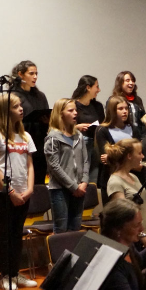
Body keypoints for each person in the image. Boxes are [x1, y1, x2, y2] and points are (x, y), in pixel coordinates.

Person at [0, 92, 38, 290]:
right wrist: (10, 192)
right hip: (3, 193)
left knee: (17, 233)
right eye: (16, 106)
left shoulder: (25, 136)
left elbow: (30, 165)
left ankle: (15, 272)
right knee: (6, 233)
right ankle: (5, 275)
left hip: (23, 193)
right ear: (5, 111)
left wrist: (30, 188)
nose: (21, 109)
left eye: (20, 105)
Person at [44, 98, 90, 234]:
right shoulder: (53, 137)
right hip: (60, 189)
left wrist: (84, 182)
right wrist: (73, 186)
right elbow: (54, 166)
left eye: (75, 110)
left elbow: (85, 160)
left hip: (79, 188)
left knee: (76, 227)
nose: (75, 113)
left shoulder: (78, 136)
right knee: (61, 229)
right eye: (70, 110)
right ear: (61, 114)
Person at [10, 60, 50, 184]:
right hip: (22, 140)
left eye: (36, 73)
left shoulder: (40, 96)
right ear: (20, 74)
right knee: (23, 180)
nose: (35, 77)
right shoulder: (13, 95)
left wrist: (47, 120)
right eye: (31, 73)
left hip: (39, 142)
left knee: (39, 180)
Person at [94, 96, 136, 200]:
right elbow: (107, 157)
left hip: (132, 175)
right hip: (110, 177)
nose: (125, 111)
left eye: (126, 108)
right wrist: (128, 154)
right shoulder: (102, 130)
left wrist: (115, 154)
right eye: (120, 109)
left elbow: (137, 152)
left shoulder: (133, 128)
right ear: (112, 111)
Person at [105, 138, 146, 231]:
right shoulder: (115, 182)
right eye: (139, 153)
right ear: (129, 156)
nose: (142, 156)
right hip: (133, 235)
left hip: (145, 233)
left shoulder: (134, 177)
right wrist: (143, 237)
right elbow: (123, 216)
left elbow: (145, 207)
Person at [73, 75, 105, 180]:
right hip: (79, 145)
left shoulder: (98, 106)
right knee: (80, 178)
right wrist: (77, 127)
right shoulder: (73, 105)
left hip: (95, 145)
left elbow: (103, 124)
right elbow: (64, 127)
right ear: (88, 87)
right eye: (97, 87)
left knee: (93, 179)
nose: (99, 90)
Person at [112, 71, 146, 138]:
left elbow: (143, 120)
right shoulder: (114, 100)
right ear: (120, 83)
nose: (131, 83)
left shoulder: (138, 100)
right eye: (127, 80)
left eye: (132, 80)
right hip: (122, 135)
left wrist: (144, 136)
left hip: (138, 136)